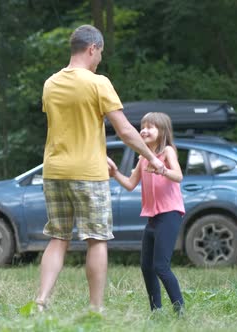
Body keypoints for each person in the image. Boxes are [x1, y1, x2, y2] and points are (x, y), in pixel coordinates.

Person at [34, 24, 164, 313]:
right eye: (100, 53)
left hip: (54, 170)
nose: (100, 59)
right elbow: (127, 132)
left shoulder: (50, 83)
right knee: (97, 239)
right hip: (88, 173)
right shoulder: (98, 83)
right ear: (92, 48)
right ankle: (95, 308)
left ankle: (41, 301)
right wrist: (152, 159)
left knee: (58, 238)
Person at [107, 112, 185, 315]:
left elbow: (178, 176)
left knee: (161, 266)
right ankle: (156, 311)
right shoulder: (143, 157)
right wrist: (115, 173)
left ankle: (179, 310)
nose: (144, 130)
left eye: (150, 127)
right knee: (146, 266)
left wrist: (163, 170)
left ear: (163, 131)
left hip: (170, 214)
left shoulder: (167, 151)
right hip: (153, 218)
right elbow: (131, 185)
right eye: (142, 126)